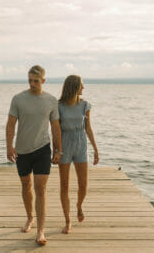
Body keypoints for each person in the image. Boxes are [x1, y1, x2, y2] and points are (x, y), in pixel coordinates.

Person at [5, 65, 63, 246]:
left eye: (36, 81)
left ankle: (40, 231)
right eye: (29, 80)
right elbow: (10, 124)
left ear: (43, 81)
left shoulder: (51, 100)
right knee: (26, 185)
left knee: (40, 189)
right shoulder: (18, 99)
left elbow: (55, 127)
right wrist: (9, 146)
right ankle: (30, 217)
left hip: (42, 149)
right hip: (22, 150)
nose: (32, 83)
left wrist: (58, 149)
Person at [57, 75, 99, 234]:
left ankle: (79, 205)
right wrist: (57, 150)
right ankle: (67, 221)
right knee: (65, 185)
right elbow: (56, 130)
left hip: (81, 143)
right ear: (74, 87)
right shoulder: (59, 106)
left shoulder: (85, 105)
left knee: (83, 185)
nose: (84, 88)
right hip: (64, 144)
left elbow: (88, 128)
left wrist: (95, 148)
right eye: (81, 85)